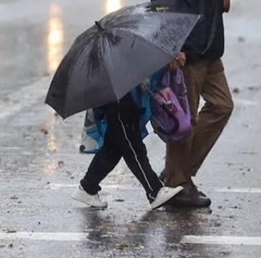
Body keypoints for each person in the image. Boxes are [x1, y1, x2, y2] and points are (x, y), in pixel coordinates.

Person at [149, 0, 234, 208]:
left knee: (222, 106)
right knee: (185, 120)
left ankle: (177, 172)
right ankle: (177, 184)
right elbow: (163, 5)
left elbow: (196, 0)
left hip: (208, 49)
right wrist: (171, 47)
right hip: (186, 52)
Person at [72, 59, 186, 211]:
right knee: (133, 147)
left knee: (112, 150)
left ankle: (87, 187)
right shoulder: (108, 53)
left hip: (122, 95)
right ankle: (154, 191)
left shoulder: (113, 51)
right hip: (117, 100)